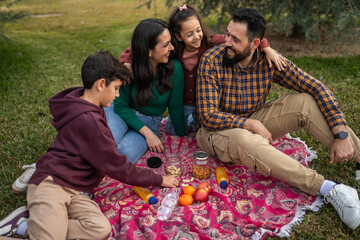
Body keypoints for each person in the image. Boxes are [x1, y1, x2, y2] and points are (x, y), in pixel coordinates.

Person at [195, 8, 360, 230]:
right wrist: (250, 124)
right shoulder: (211, 60)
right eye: (227, 35)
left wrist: (340, 132)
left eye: (235, 39)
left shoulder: (267, 59)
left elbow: (315, 87)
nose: (227, 42)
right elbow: (207, 115)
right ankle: (329, 188)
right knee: (246, 139)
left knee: (305, 102)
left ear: (255, 43)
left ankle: (357, 154)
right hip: (214, 132)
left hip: (254, 119)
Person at [0, 51, 180, 238]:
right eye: (116, 88)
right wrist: (159, 179)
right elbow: (120, 168)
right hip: (51, 184)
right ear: (101, 84)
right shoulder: (90, 123)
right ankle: (34, 225)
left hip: (76, 189)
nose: (118, 94)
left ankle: (30, 224)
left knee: (100, 229)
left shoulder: (81, 99)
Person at [120, 4, 286, 136]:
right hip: (181, 102)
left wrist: (266, 48)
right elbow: (140, 46)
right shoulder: (173, 49)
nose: (196, 36)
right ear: (178, 36)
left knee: (200, 133)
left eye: (198, 30)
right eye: (190, 34)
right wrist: (127, 60)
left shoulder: (209, 42)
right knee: (174, 132)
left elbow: (245, 37)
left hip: (202, 102)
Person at [105, 18, 187, 164]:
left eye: (170, 42)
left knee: (125, 156)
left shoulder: (175, 69)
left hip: (150, 121)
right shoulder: (129, 67)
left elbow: (175, 107)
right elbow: (119, 106)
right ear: (149, 51)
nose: (172, 48)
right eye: (166, 45)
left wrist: (183, 138)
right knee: (106, 142)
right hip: (122, 113)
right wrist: (148, 134)